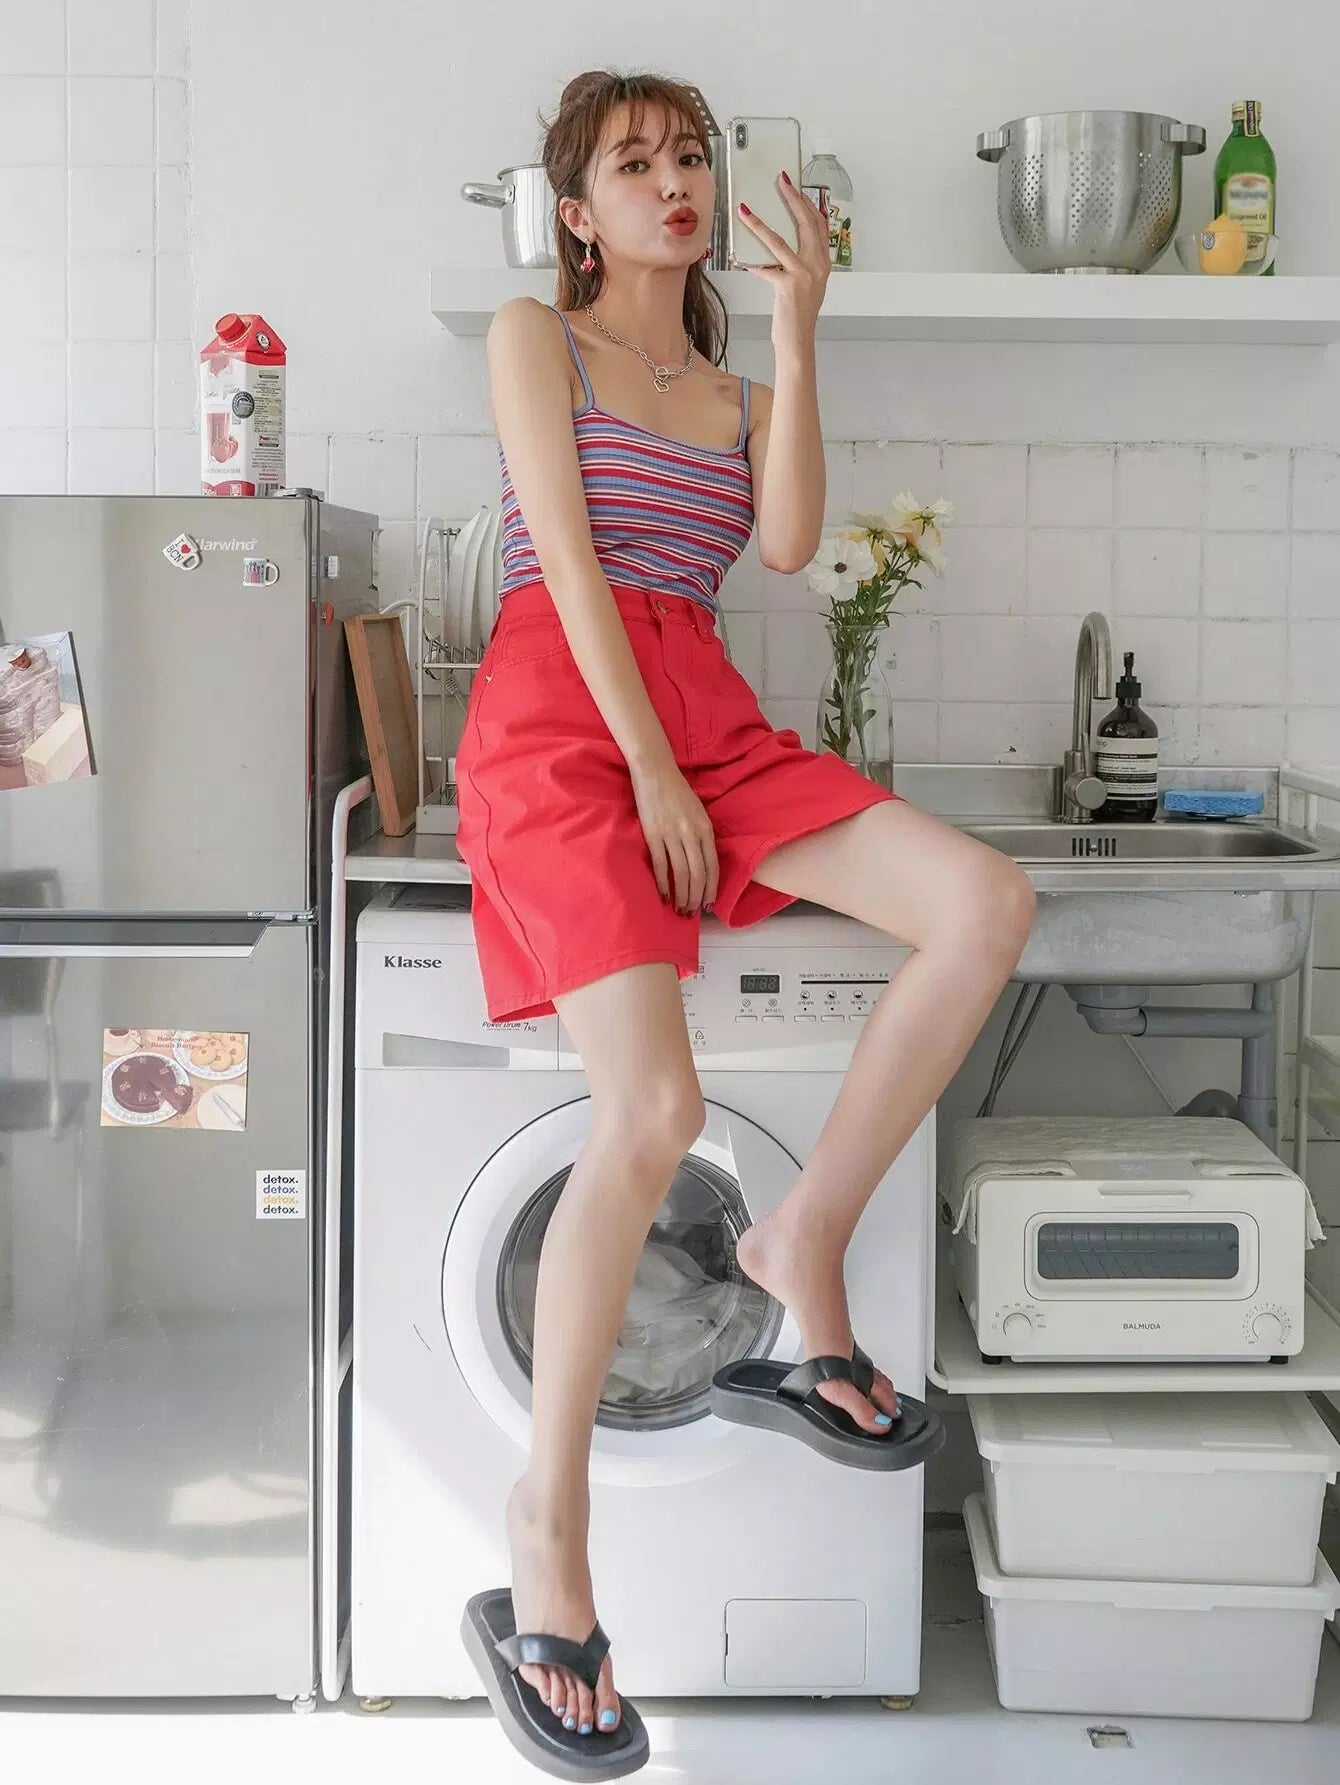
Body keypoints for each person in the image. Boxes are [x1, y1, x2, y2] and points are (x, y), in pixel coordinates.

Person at [455, 68, 1035, 1781]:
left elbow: (782, 547)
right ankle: (547, 1531)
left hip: (705, 714)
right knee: (652, 1111)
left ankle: (798, 1241)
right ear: (577, 212)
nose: (677, 181)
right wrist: (645, 766)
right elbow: (568, 565)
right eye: (635, 163)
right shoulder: (534, 338)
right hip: (566, 718)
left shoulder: (733, 387)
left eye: (692, 156)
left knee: (984, 904)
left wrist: (798, 327)